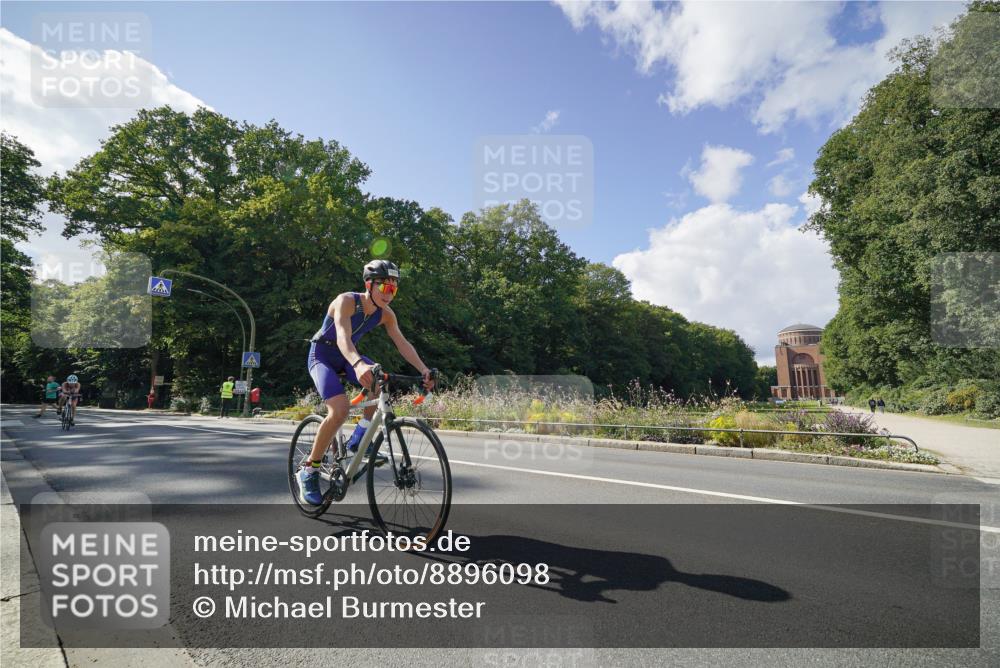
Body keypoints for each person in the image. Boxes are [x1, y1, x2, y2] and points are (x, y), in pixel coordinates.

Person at [298, 260, 434, 506]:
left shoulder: (386, 314)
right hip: (322, 355)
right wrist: (358, 364)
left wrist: (424, 369)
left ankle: (359, 439)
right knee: (339, 410)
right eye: (384, 287)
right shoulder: (346, 301)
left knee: (378, 383)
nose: (389, 294)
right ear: (369, 285)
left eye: (393, 289)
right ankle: (309, 470)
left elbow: (402, 343)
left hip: (348, 356)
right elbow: (342, 336)